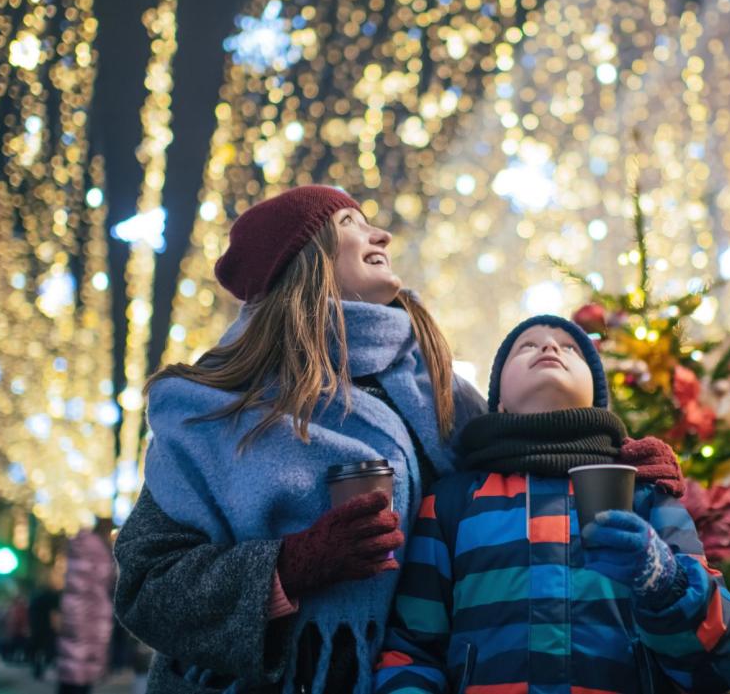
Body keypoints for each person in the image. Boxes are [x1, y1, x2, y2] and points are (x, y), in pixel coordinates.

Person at [113, 186, 685, 694]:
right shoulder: (216, 406)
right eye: (351, 225)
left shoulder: (438, 389)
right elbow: (147, 586)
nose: (380, 233)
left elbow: (521, 464)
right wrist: (287, 568)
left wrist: (619, 459)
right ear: (301, 258)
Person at [375, 316, 730, 694]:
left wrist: (664, 582)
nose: (550, 347)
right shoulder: (451, 502)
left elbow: (721, 662)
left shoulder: (646, 496)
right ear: (499, 401)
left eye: (570, 347)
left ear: (596, 397)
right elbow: (414, 650)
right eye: (527, 346)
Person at [57, 519, 116, 694]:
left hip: (75, 613)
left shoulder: (80, 547)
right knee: (81, 672)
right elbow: (105, 580)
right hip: (89, 617)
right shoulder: (98, 551)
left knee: (71, 668)